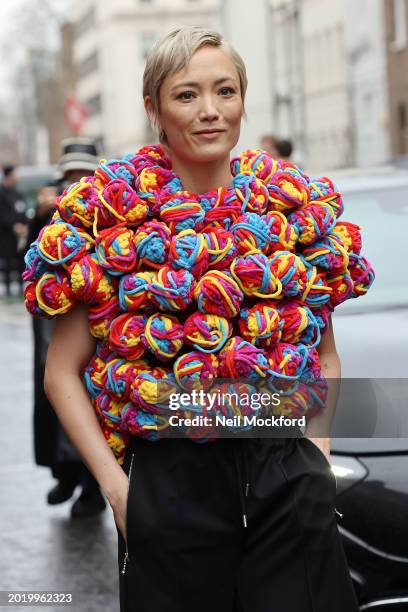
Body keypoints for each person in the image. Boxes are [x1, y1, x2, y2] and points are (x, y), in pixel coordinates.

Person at [24, 26, 374, 612]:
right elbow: (62, 371)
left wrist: (317, 454)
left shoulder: (292, 211)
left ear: (243, 100)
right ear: (152, 108)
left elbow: (323, 352)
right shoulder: (110, 222)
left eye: (226, 91)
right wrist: (119, 492)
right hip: (168, 485)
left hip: (285, 474)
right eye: (186, 95)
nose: (210, 111)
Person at [27, 139, 107, 518]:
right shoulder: (48, 212)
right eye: (72, 175)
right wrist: (40, 218)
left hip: (98, 317)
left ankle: (92, 486)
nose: (78, 181)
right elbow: (31, 263)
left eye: (84, 174)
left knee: (97, 396)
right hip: (54, 321)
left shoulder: (112, 205)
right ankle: (65, 474)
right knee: (53, 392)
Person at [0, 165, 28, 296]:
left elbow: (23, 211)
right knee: (7, 263)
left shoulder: (17, 193)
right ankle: (8, 291)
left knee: (20, 262)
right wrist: (13, 226)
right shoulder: (1, 193)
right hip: (5, 236)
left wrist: (24, 225)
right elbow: (3, 214)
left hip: (20, 236)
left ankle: (22, 288)